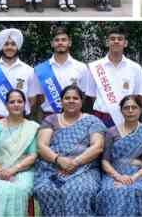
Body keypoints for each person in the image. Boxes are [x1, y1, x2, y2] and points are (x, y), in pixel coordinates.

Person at [33, 84, 106, 216]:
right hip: (53, 167)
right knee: (47, 189)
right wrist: (59, 159)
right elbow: (41, 146)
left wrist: (75, 162)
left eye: (75, 98)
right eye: (67, 98)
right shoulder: (50, 120)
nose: (71, 101)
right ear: (61, 101)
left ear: (81, 101)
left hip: (85, 168)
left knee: (80, 189)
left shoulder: (92, 121)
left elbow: (97, 146)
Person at [95, 95, 142, 216]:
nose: (130, 111)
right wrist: (118, 177)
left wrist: (133, 178)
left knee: (136, 190)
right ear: (121, 111)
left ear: (140, 110)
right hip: (114, 174)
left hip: (139, 174)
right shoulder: (111, 132)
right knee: (110, 190)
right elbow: (105, 161)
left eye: (134, 107)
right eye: (127, 108)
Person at [85, 27, 142, 127]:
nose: (116, 41)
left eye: (120, 39)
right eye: (112, 39)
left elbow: (136, 96)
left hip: (128, 118)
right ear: (107, 42)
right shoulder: (94, 67)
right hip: (101, 118)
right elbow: (92, 96)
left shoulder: (135, 68)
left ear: (125, 43)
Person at [0, 29, 38, 124]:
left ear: (18, 47)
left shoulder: (29, 70)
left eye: (13, 44)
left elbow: (33, 100)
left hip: (21, 122)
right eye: (6, 44)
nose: (9, 47)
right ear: (1, 47)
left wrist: (20, 115)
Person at [32, 28, 91, 120]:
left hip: (75, 118)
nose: (60, 43)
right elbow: (38, 99)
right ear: (52, 43)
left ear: (69, 43)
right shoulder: (40, 70)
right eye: (57, 40)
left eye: (63, 40)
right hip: (49, 117)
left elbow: (84, 97)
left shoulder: (81, 67)